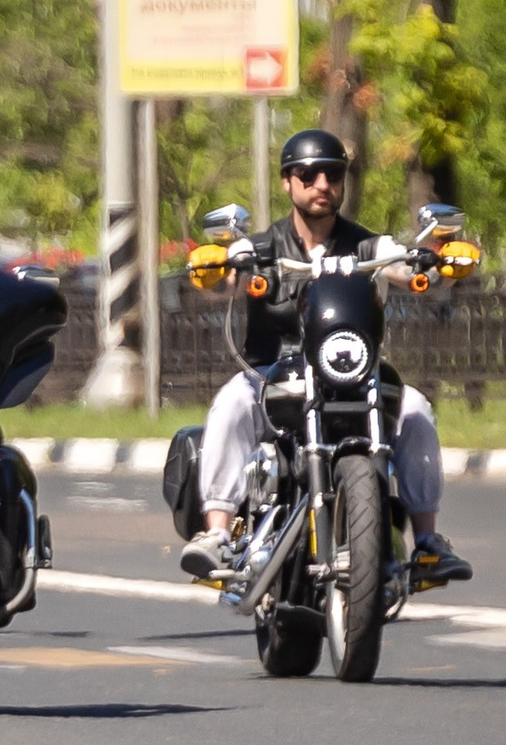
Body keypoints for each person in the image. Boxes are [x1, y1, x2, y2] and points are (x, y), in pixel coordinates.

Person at [177, 129, 472, 585]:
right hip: (272, 375)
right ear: (286, 182)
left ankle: (429, 542)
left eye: (332, 174)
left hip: (351, 374)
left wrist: (433, 263)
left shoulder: (368, 246)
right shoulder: (262, 247)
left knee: (414, 408)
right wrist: (218, 265)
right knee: (232, 402)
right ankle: (216, 533)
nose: (321, 184)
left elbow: (404, 265)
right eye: (308, 174)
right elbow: (221, 281)